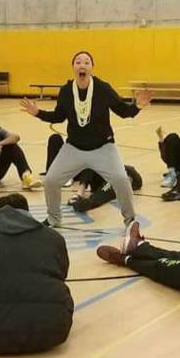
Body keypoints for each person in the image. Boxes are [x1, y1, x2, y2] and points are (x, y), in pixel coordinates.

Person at [20, 51, 152, 227]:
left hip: (103, 148)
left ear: (92, 68)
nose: (82, 65)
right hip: (74, 148)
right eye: (78, 62)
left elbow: (123, 111)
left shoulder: (103, 88)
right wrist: (38, 113)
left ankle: (130, 221)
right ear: (73, 67)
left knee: (121, 180)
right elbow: (59, 116)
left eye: (86, 62)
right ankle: (53, 219)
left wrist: (137, 106)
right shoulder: (66, 91)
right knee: (51, 180)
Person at [0, 193, 73, 355]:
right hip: (52, 331)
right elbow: (62, 275)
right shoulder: (55, 239)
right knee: (61, 292)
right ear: (27, 213)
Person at [45, 132, 142, 212]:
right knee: (55, 138)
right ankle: (62, 178)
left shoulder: (115, 183)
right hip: (84, 168)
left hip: (89, 173)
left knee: (91, 165)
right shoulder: (120, 172)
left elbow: (99, 198)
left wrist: (83, 201)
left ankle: (71, 184)